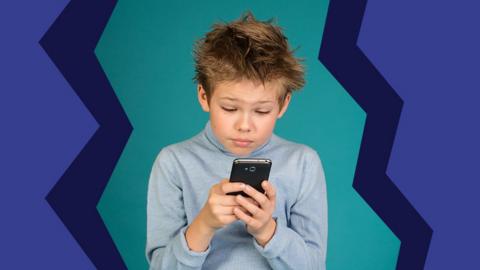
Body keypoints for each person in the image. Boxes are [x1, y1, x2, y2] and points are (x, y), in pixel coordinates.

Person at [146, 11, 327, 270]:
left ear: (283, 104)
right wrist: (204, 224)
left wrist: (268, 230)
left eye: (262, 111)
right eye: (230, 108)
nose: (244, 126)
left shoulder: (303, 163)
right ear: (204, 97)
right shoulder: (173, 162)